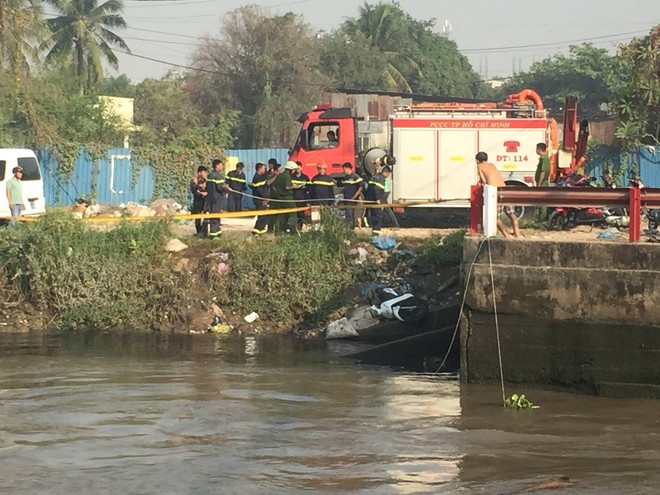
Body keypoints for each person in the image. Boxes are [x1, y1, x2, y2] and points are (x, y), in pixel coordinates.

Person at [476, 151, 520, 238]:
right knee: (511, 214)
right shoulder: (492, 165)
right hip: (505, 190)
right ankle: (517, 233)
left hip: (495, 192)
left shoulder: (480, 166)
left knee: (495, 217)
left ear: (477, 160)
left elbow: (484, 181)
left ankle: (506, 235)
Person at [268, 161, 298, 233]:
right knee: (293, 214)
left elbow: (274, 186)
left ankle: (282, 230)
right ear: (290, 169)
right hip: (288, 198)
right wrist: (293, 186)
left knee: (282, 215)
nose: (294, 171)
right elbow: (287, 187)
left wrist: (278, 193)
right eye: (293, 169)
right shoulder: (287, 175)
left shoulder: (279, 175)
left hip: (280, 199)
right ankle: (293, 230)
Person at [366, 165, 391, 236]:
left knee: (373, 216)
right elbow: (377, 189)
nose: (388, 175)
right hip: (376, 201)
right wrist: (378, 199)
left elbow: (369, 188)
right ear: (385, 172)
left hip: (371, 200)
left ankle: (373, 233)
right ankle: (376, 235)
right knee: (379, 217)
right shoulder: (381, 179)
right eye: (388, 174)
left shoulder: (374, 177)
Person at [207, 159, 227, 238]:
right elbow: (220, 187)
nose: (222, 166)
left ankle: (217, 231)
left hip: (212, 199)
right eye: (221, 165)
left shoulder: (210, 175)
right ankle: (213, 234)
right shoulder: (218, 176)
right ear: (217, 165)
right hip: (217, 199)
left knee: (215, 215)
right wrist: (226, 189)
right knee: (215, 216)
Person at [341, 162, 363, 229]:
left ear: (348, 168)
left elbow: (360, 187)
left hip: (352, 199)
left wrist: (354, 196)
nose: (343, 171)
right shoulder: (345, 178)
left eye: (344, 169)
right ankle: (349, 227)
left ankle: (351, 228)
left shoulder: (355, 177)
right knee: (348, 214)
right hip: (346, 199)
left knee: (351, 214)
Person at [250, 162, 269, 235]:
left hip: (261, 199)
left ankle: (261, 230)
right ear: (259, 169)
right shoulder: (257, 178)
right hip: (259, 200)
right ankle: (256, 230)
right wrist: (265, 198)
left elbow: (266, 176)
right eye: (264, 168)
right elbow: (260, 190)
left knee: (264, 215)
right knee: (262, 215)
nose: (265, 170)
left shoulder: (260, 176)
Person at [190, 165, 209, 236]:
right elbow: (194, 191)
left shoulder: (207, 181)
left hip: (206, 203)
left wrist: (206, 191)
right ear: (199, 173)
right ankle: (199, 232)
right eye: (204, 172)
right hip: (198, 202)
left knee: (206, 218)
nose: (206, 174)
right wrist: (200, 191)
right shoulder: (194, 181)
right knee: (198, 218)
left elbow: (211, 191)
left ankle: (205, 233)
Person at [291, 161, 310, 230]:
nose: (297, 170)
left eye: (299, 168)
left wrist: (306, 188)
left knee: (302, 213)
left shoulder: (305, 177)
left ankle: (302, 226)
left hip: (303, 198)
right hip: (294, 198)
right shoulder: (291, 177)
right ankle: (296, 227)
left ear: (301, 168)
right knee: (296, 214)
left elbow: (309, 187)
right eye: (296, 169)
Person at [535, 142, 551, 221]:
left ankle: (542, 218)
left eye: (536, 149)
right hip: (542, 182)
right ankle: (540, 217)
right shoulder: (542, 158)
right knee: (540, 200)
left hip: (543, 182)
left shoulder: (545, 158)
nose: (536, 150)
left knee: (543, 201)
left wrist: (539, 183)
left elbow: (543, 172)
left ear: (540, 149)